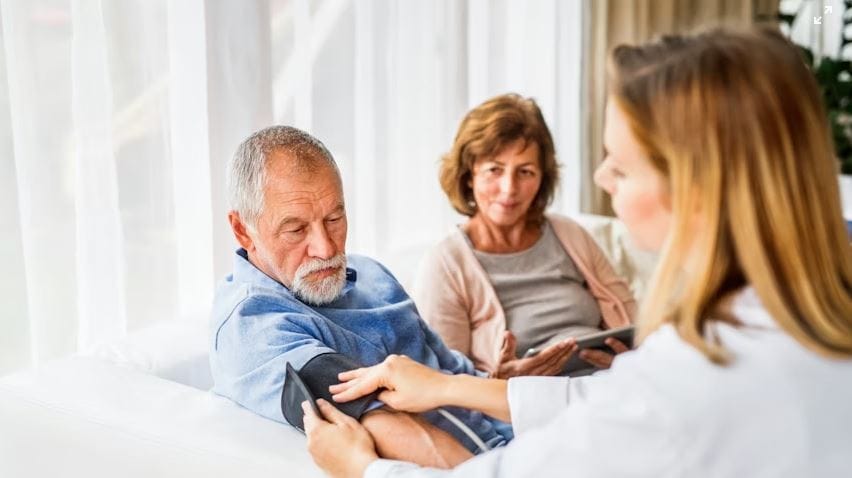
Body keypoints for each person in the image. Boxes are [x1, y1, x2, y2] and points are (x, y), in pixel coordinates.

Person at [302, 27, 852, 477]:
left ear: (698, 189)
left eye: (622, 166)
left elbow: (635, 410)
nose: (601, 177)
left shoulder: (689, 384)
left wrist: (362, 468)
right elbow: (615, 404)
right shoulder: (800, 320)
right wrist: (454, 385)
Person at [209, 126, 516, 468]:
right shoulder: (254, 327)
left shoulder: (371, 273)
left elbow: (450, 370)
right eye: (296, 229)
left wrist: (510, 388)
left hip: (527, 440)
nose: (326, 248)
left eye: (334, 218)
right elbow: (385, 425)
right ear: (242, 230)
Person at [414, 93, 636, 378]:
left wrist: (629, 359)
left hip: (609, 383)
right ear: (469, 175)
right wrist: (501, 382)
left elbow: (637, 324)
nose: (509, 188)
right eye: (494, 170)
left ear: (543, 178)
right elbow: (441, 380)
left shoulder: (569, 234)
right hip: (520, 400)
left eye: (526, 172)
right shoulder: (445, 263)